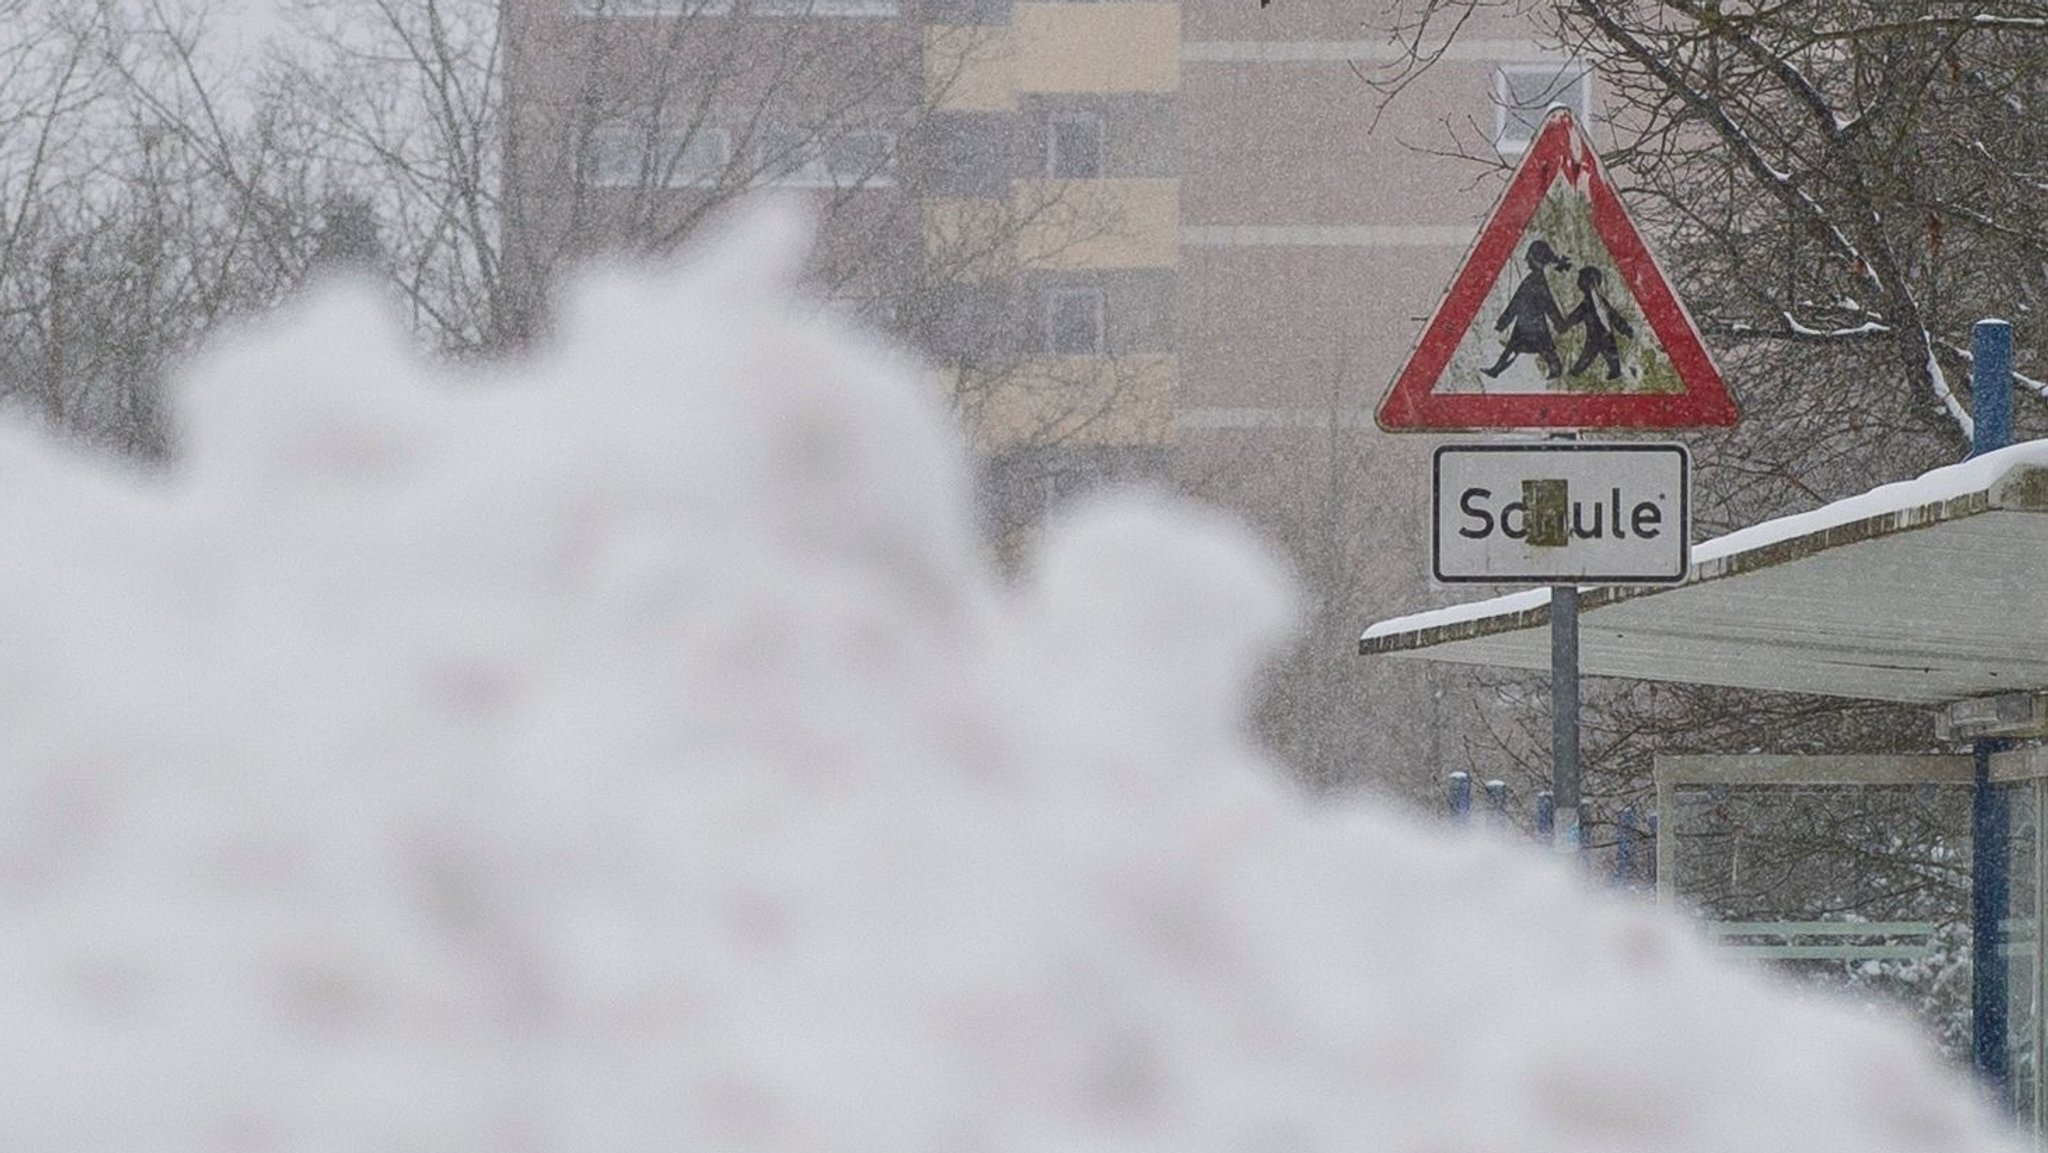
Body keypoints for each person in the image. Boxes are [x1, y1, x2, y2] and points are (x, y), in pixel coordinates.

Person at [1479, 240, 1570, 380]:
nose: (1527, 260)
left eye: (1530, 257)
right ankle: (1496, 370)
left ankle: (1555, 369)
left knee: (1544, 349)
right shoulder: (1532, 280)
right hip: (1526, 322)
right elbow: (1516, 302)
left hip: (1533, 323)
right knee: (1520, 347)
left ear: (1536, 259)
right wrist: (1503, 322)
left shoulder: (1537, 281)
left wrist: (1559, 323)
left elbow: (1548, 304)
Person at [1560, 264, 1634, 380]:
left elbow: (1614, 316)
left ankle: (1615, 373)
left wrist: (1626, 329)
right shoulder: (1587, 302)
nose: (1579, 283)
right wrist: (1565, 324)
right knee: (1589, 355)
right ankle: (1575, 373)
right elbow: (1576, 315)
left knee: (1609, 356)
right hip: (1596, 336)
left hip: (1604, 335)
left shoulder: (1599, 301)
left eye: (1581, 279)